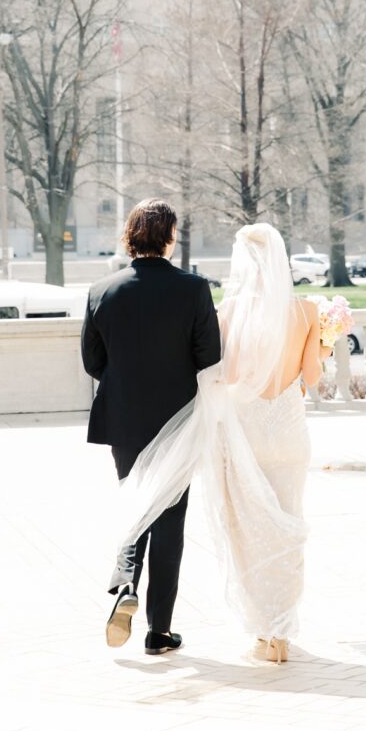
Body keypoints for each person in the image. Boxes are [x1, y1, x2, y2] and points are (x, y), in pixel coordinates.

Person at [111, 222, 331, 663]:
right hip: (289, 431)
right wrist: (323, 348)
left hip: (244, 434)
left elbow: (220, 375)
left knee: (248, 531)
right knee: (288, 525)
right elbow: (312, 377)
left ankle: (263, 633)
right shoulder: (307, 311)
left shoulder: (227, 312)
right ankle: (281, 634)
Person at [81, 199, 220, 655]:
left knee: (135, 502)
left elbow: (92, 362)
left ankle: (125, 585)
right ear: (169, 237)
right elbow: (210, 356)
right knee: (169, 520)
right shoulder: (193, 289)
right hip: (177, 418)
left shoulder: (101, 290)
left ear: (130, 235)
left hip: (123, 418)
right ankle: (159, 630)